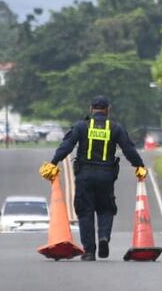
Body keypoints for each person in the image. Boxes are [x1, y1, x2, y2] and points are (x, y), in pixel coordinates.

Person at [41, 96, 147, 261]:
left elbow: (67, 146)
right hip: (106, 176)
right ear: (108, 110)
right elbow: (129, 149)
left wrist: (54, 162)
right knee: (106, 209)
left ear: (91, 109)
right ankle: (104, 237)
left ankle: (89, 251)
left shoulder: (81, 127)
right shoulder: (115, 128)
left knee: (85, 212)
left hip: (85, 176)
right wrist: (139, 165)